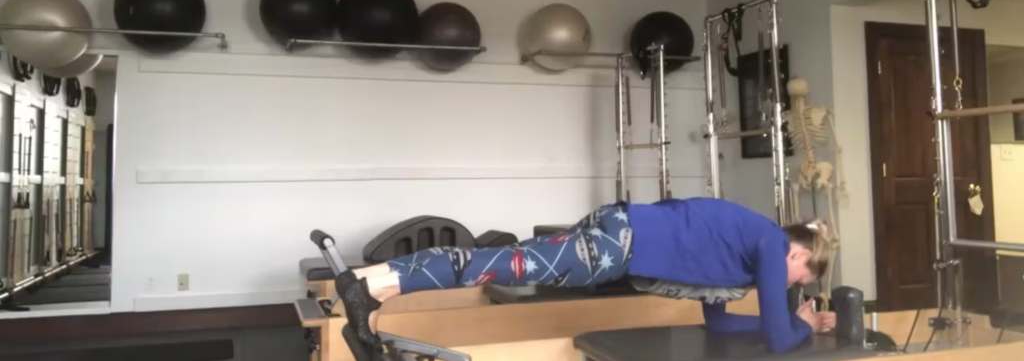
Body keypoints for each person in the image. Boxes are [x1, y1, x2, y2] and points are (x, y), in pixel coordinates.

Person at [341, 197, 836, 355]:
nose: (795, 284)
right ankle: (369, 285)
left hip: (618, 236)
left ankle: (371, 282)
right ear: (798, 252)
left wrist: (790, 325)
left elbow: (722, 326)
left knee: (503, 262)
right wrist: (804, 327)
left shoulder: (740, 263)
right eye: (802, 274)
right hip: (619, 243)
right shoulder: (771, 242)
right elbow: (777, 335)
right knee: (495, 267)